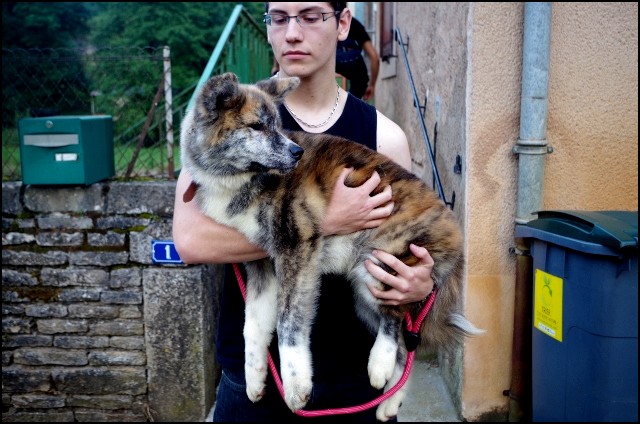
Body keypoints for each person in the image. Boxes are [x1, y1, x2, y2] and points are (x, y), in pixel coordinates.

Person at [172, 2, 435, 422]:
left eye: (310, 16)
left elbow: (412, 243)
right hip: (253, 382)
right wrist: (325, 222)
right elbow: (190, 241)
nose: (292, 33)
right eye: (279, 18)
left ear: (343, 23)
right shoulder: (232, 119)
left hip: (356, 380)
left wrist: (420, 283)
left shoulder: (384, 136)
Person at [336, 16, 379, 101]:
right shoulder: (354, 22)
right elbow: (375, 57)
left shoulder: (323, 20)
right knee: (360, 81)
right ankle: (349, 107)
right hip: (352, 58)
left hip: (330, 55)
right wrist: (372, 85)